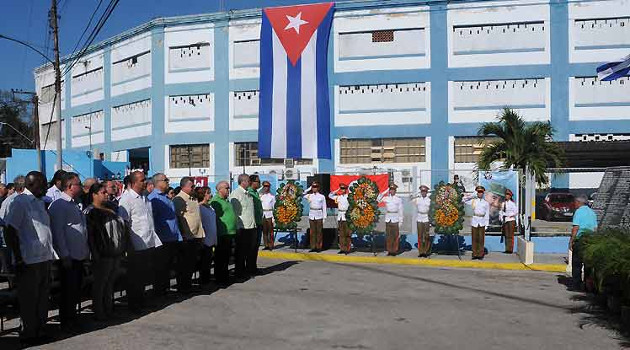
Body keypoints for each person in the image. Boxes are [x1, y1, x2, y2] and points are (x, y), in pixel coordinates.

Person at [3, 171, 56, 345]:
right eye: (42, 184)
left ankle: (40, 330)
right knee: (29, 300)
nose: (46, 187)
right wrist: (17, 258)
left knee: (42, 298)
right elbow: (10, 231)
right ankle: (28, 334)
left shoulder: (40, 202)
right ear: (31, 185)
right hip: (28, 260)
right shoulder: (20, 202)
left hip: (43, 258)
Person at [48, 172, 90, 330]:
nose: (81, 186)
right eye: (78, 184)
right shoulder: (59, 205)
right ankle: (66, 321)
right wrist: (64, 254)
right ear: (70, 186)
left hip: (78, 254)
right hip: (68, 256)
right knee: (68, 290)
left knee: (76, 289)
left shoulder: (74, 203)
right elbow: (58, 232)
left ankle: (72, 317)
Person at [118, 171, 162, 312]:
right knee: (134, 276)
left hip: (148, 241)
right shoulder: (126, 199)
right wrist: (128, 244)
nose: (145, 183)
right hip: (135, 244)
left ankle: (141, 300)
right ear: (133, 182)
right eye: (142, 180)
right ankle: (134, 303)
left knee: (143, 274)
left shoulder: (145, 198)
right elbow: (124, 223)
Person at [84, 183, 129, 321]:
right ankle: (99, 311)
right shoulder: (91, 212)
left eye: (106, 192)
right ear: (94, 194)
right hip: (102, 253)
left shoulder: (111, 209)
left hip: (115, 251)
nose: (106, 194)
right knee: (101, 283)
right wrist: (95, 253)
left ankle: (108, 308)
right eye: (103, 192)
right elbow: (91, 235)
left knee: (110, 282)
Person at [148, 173, 183, 295]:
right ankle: (159, 291)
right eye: (165, 180)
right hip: (162, 238)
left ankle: (165, 288)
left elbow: (173, 219)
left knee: (168, 266)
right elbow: (153, 220)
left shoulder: (167, 198)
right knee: (160, 267)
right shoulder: (154, 199)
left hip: (172, 237)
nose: (168, 182)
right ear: (157, 182)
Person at [173, 177, 205, 292]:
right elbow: (179, 218)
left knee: (191, 263)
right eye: (191, 186)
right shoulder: (179, 199)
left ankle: (188, 285)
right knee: (184, 264)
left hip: (196, 235)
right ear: (184, 186)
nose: (193, 188)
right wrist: (182, 235)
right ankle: (182, 287)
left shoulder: (193, 198)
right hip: (187, 237)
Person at [230, 174, 257, 277]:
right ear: (243, 182)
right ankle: (239, 272)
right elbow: (236, 213)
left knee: (250, 250)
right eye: (249, 181)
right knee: (241, 251)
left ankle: (249, 270)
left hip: (251, 226)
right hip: (243, 228)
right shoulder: (236, 194)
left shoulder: (248, 194)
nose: (250, 183)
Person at [210, 181, 237, 285]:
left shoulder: (226, 201)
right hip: (222, 233)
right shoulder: (216, 201)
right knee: (220, 257)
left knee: (226, 256)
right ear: (220, 189)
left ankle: (224, 275)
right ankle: (220, 278)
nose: (228, 190)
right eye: (226, 188)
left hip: (230, 233)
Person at [569, 194, 598, 288]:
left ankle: (576, 284)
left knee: (577, 263)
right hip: (590, 240)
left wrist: (571, 241)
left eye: (575, 202)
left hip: (580, 240)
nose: (574, 204)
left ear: (578, 202)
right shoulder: (592, 212)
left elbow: (575, 228)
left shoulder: (578, 212)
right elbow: (595, 228)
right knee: (588, 264)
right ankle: (587, 284)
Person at [196, 186, 217, 285]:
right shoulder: (199, 207)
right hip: (205, 238)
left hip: (212, 237)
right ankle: (203, 280)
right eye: (208, 193)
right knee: (204, 261)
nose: (210, 195)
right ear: (203, 194)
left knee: (208, 261)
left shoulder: (210, 207)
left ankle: (207, 278)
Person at [465, 186, 490, 260]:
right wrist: (473, 194)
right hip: (475, 220)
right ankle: (475, 253)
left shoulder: (486, 203)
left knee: (481, 239)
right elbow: (464, 200)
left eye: (481, 192)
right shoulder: (473, 201)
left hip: (482, 221)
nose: (480, 194)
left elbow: (487, 214)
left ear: (483, 193)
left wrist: (487, 224)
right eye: (478, 192)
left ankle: (480, 254)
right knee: (474, 238)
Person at [378, 184, 403, 256]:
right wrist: (385, 192)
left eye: (393, 190)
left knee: (395, 236)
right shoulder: (386, 198)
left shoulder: (398, 199)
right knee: (389, 236)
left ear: (395, 191)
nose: (392, 191)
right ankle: (389, 250)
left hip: (395, 218)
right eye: (391, 190)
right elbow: (378, 199)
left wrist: (400, 221)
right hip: (388, 218)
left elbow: (400, 210)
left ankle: (394, 251)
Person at [247, 174, 263, 274]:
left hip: (259, 222)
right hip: (253, 224)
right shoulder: (249, 193)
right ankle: (250, 268)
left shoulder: (256, 193)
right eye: (258, 181)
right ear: (252, 182)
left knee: (256, 246)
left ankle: (253, 266)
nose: (259, 183)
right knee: (251, 247)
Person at [304, 181, 327, 252]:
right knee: (312, 232)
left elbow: (324, 207)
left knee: (319, 232)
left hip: (319, 215)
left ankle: (319, 247)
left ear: (318, 188)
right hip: (311, 215)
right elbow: (302, 194)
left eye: (316, 187)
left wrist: (324, 217)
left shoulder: (322, 196)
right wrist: (309, 189)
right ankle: (313, 247)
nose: (314, 188)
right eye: (313, 187)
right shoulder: (309, 195)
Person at [329, 183, 351, 254]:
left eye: (343, 188)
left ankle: (347, 249)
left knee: (347, 233)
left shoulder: (349, 196)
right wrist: (337, 190)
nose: (342, 190)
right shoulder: (338, 197)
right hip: (340, 216)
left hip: (346, 216)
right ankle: (342, 248)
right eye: (341, 188)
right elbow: (330, 195)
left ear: (346, 189)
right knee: (341, 234)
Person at [413, 185, 431, 257]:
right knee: (420, 236)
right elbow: (409, 199)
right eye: (422, 191)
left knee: (426, 236)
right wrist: (415, 194)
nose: (423, 193)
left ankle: (426, 251)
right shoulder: (417, 199)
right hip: (419, 218)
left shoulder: (429, 200)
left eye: (424, 191)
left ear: (426, 192)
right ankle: (421, 252)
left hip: (426, 218)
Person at [500, 188, 518, 254]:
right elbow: (501, 211)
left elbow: (516, 212)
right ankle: (507, 249)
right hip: (505, 220)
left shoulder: (512, 204)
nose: (506, 196)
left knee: (510, 235)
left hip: (511, 220)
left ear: (510, 196)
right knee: (506, 235)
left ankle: (510, 249)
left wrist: (509, 215)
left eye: (508, 195)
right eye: (506, 194)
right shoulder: (503, 203)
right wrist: (502, 218)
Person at [260, 181, 276, 250]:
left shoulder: (272, 196)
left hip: (270, 214)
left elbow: (274, 207)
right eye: (264, 186)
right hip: (263, 214)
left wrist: (273, 217)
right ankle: (266, 245)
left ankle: (271, 245)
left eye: (267, 186)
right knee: (264, 230)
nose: (266, 187)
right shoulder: (260, 196)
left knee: (270, 231)